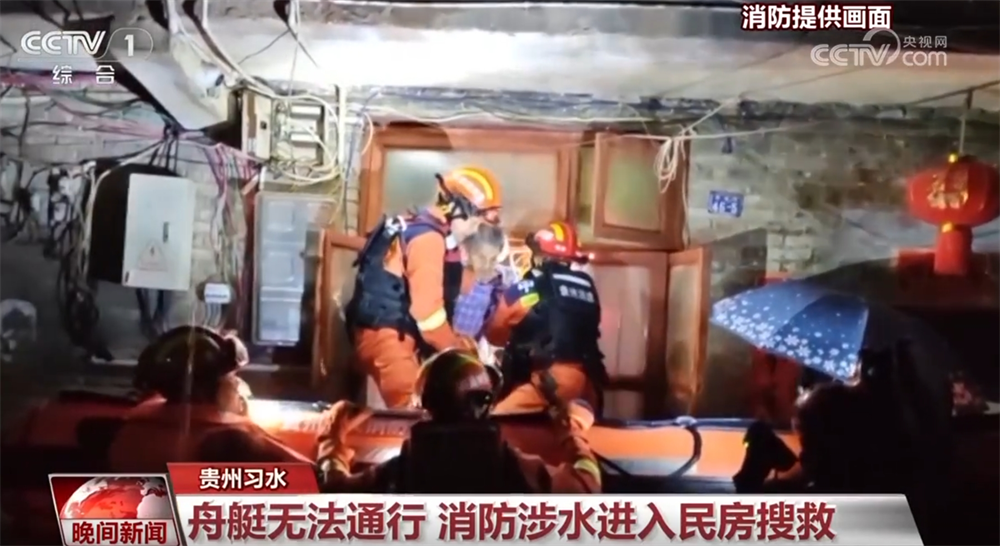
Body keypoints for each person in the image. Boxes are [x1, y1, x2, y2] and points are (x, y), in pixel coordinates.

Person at [315, 349, 601, 493]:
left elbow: (334, 489)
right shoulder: (514, 467)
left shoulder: (403, 469)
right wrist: (573, 436)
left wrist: (332, 439)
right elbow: (586, 488)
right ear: (483, 404)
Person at [346, 166, 504, 408]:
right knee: (413, 411)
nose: (475, 230)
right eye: (475, 221)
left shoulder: (426, 230)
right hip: (389, 339)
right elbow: (428, 316)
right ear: (456, 209)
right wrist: (459, 353)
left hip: (397, 333)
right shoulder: (427, 240)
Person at [108, 326, 310, 472]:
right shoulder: (234, 443)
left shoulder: (131, 432)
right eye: (232, 378)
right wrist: (328, 452)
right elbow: (315, 481)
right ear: (213, 386)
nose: (237, 385)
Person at [483, 221, 608, 414]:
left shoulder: (528, 288)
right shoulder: (587, 287)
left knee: (498, 422)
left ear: (539, 254)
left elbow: (494, 334)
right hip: (589, 388)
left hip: (550, 384)